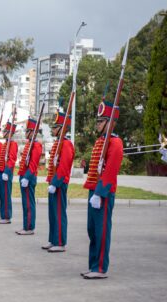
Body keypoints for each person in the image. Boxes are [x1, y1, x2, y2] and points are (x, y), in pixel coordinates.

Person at [81, 100, 124, 279]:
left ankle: (100, 268)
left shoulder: (115, 142)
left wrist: (100, 193)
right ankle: (93, 265)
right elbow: (98, 167)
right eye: (97, 121)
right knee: (92, 230)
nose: (97, 124)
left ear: (110, 122)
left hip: (103, 193)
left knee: (101, 230)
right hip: (94, 191)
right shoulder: (101, 141)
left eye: (101, 121)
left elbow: (110, 171)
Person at [43, 111, 75, 252]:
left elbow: (63, 167)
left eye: (56, 127)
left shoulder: (66, 144)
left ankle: (60, 242)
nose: (53, 130)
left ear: (62, 128)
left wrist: (55, 183)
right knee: (52, 213)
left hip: (60, 184)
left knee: (59, 212)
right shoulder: (59, 143)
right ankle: (53, 239)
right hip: (54, 183)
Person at [16, 118, 42, 235]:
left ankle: (29, 227)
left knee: (28, 203)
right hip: (24, 177)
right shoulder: (29, 144)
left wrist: (26, 177)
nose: (26, 133)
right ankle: (25, 226)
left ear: (33, 132)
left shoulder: (36, 145)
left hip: (29, 177)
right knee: (24, 203)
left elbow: (33, 164)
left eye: (28, 131)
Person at [0, 122, 18, 224]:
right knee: (2, 195)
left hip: (6, 174)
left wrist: (7, 172)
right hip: (1, 172)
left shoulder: (13, 144)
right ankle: (3, 216)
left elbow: (12, 159)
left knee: (6, 195)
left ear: (9, 133)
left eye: (5, 131)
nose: (3, 133)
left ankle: (7, 217)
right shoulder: (6, 144)